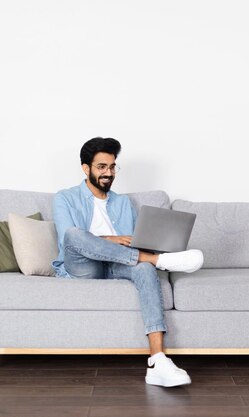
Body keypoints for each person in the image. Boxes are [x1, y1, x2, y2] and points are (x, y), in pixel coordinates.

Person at [51, 137, 203, 387]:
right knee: (74, 234)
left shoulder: (123, 202)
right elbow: (69, 238)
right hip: (82, 266)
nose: (108, 173)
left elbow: (133, 240)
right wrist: (111, 239)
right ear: (85, 168)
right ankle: (158, 260)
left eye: (112, 167)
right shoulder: (64, 198)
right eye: (101, 167)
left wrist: (148, 243)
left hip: (116, 263)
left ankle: (158, 361)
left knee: (142, 268)